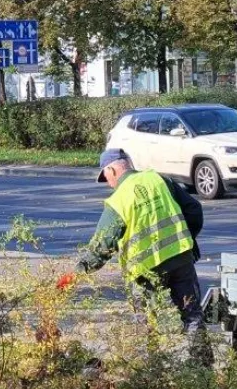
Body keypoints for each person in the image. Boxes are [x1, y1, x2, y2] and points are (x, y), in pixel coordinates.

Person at [59, 148, 210, 365]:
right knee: (192, 315)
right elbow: (194, 209)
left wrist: (78, 272)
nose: (108, 183)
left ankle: (151, 373)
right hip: (180, 259)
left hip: (144, 271)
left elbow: (102, 245)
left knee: (146, 323)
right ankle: (203, 369)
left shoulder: (119, 199)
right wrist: (186, 241)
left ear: (112, 169)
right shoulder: (159, 180)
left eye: (106, 177)